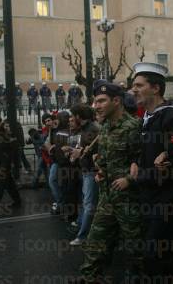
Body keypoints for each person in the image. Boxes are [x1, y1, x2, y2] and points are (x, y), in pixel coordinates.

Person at [131, 62, 173, 283]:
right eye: (133, 85)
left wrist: (140, 175)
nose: (134, 90)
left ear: (156, 88)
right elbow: (148, 153)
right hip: (151, 196)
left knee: (154, 254)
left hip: (169, 200)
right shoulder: (148, 118)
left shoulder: (172, 116)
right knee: (166, 255)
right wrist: (136, 163)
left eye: (139, 85)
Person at [75, 82, 143, 284]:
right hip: (107, 197)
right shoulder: (105, 128)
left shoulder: (134, 126)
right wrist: (100, 170)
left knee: (135, 249)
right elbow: (104, 159)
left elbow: (143, 164)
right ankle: (89, 278)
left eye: (101, 101)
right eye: (95, 101)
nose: (96, 106)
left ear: (116, 101)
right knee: (95, 242)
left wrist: (129, 179)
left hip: (129, 201)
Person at [64, 104, 99, 246]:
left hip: (92, 171)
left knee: (89, 204)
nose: (71, 119)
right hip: (86, 171)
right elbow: (84, 149)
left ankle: (83, 236)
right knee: (87, 202)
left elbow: (97, 148)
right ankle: (82, 225)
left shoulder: (93, 129)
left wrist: (82, 151)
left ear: (79, 116)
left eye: (73, 116)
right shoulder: (85, 129)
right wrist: (73, 151)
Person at [0, 116, 21, 210]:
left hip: (6, 164)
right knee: (9, 184)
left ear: (1, 123)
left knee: (0, 183)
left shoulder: (6, 134)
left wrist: (12, 163)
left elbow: (13, 149)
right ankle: (17, 200)